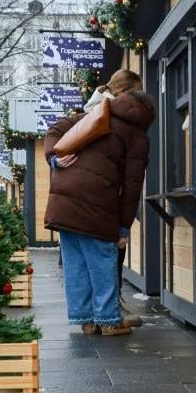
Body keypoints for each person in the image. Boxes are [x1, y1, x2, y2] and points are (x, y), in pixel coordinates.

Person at [43, 69, 153, 336]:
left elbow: (53, 131)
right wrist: (124, 227)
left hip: (63, 201)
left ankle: (87, 320)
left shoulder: (93, 114)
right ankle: (109, 320)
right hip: (97, 203)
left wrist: (55, 159)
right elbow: (131, 187)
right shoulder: (136, 133)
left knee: (76, 263)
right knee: (103, 259)